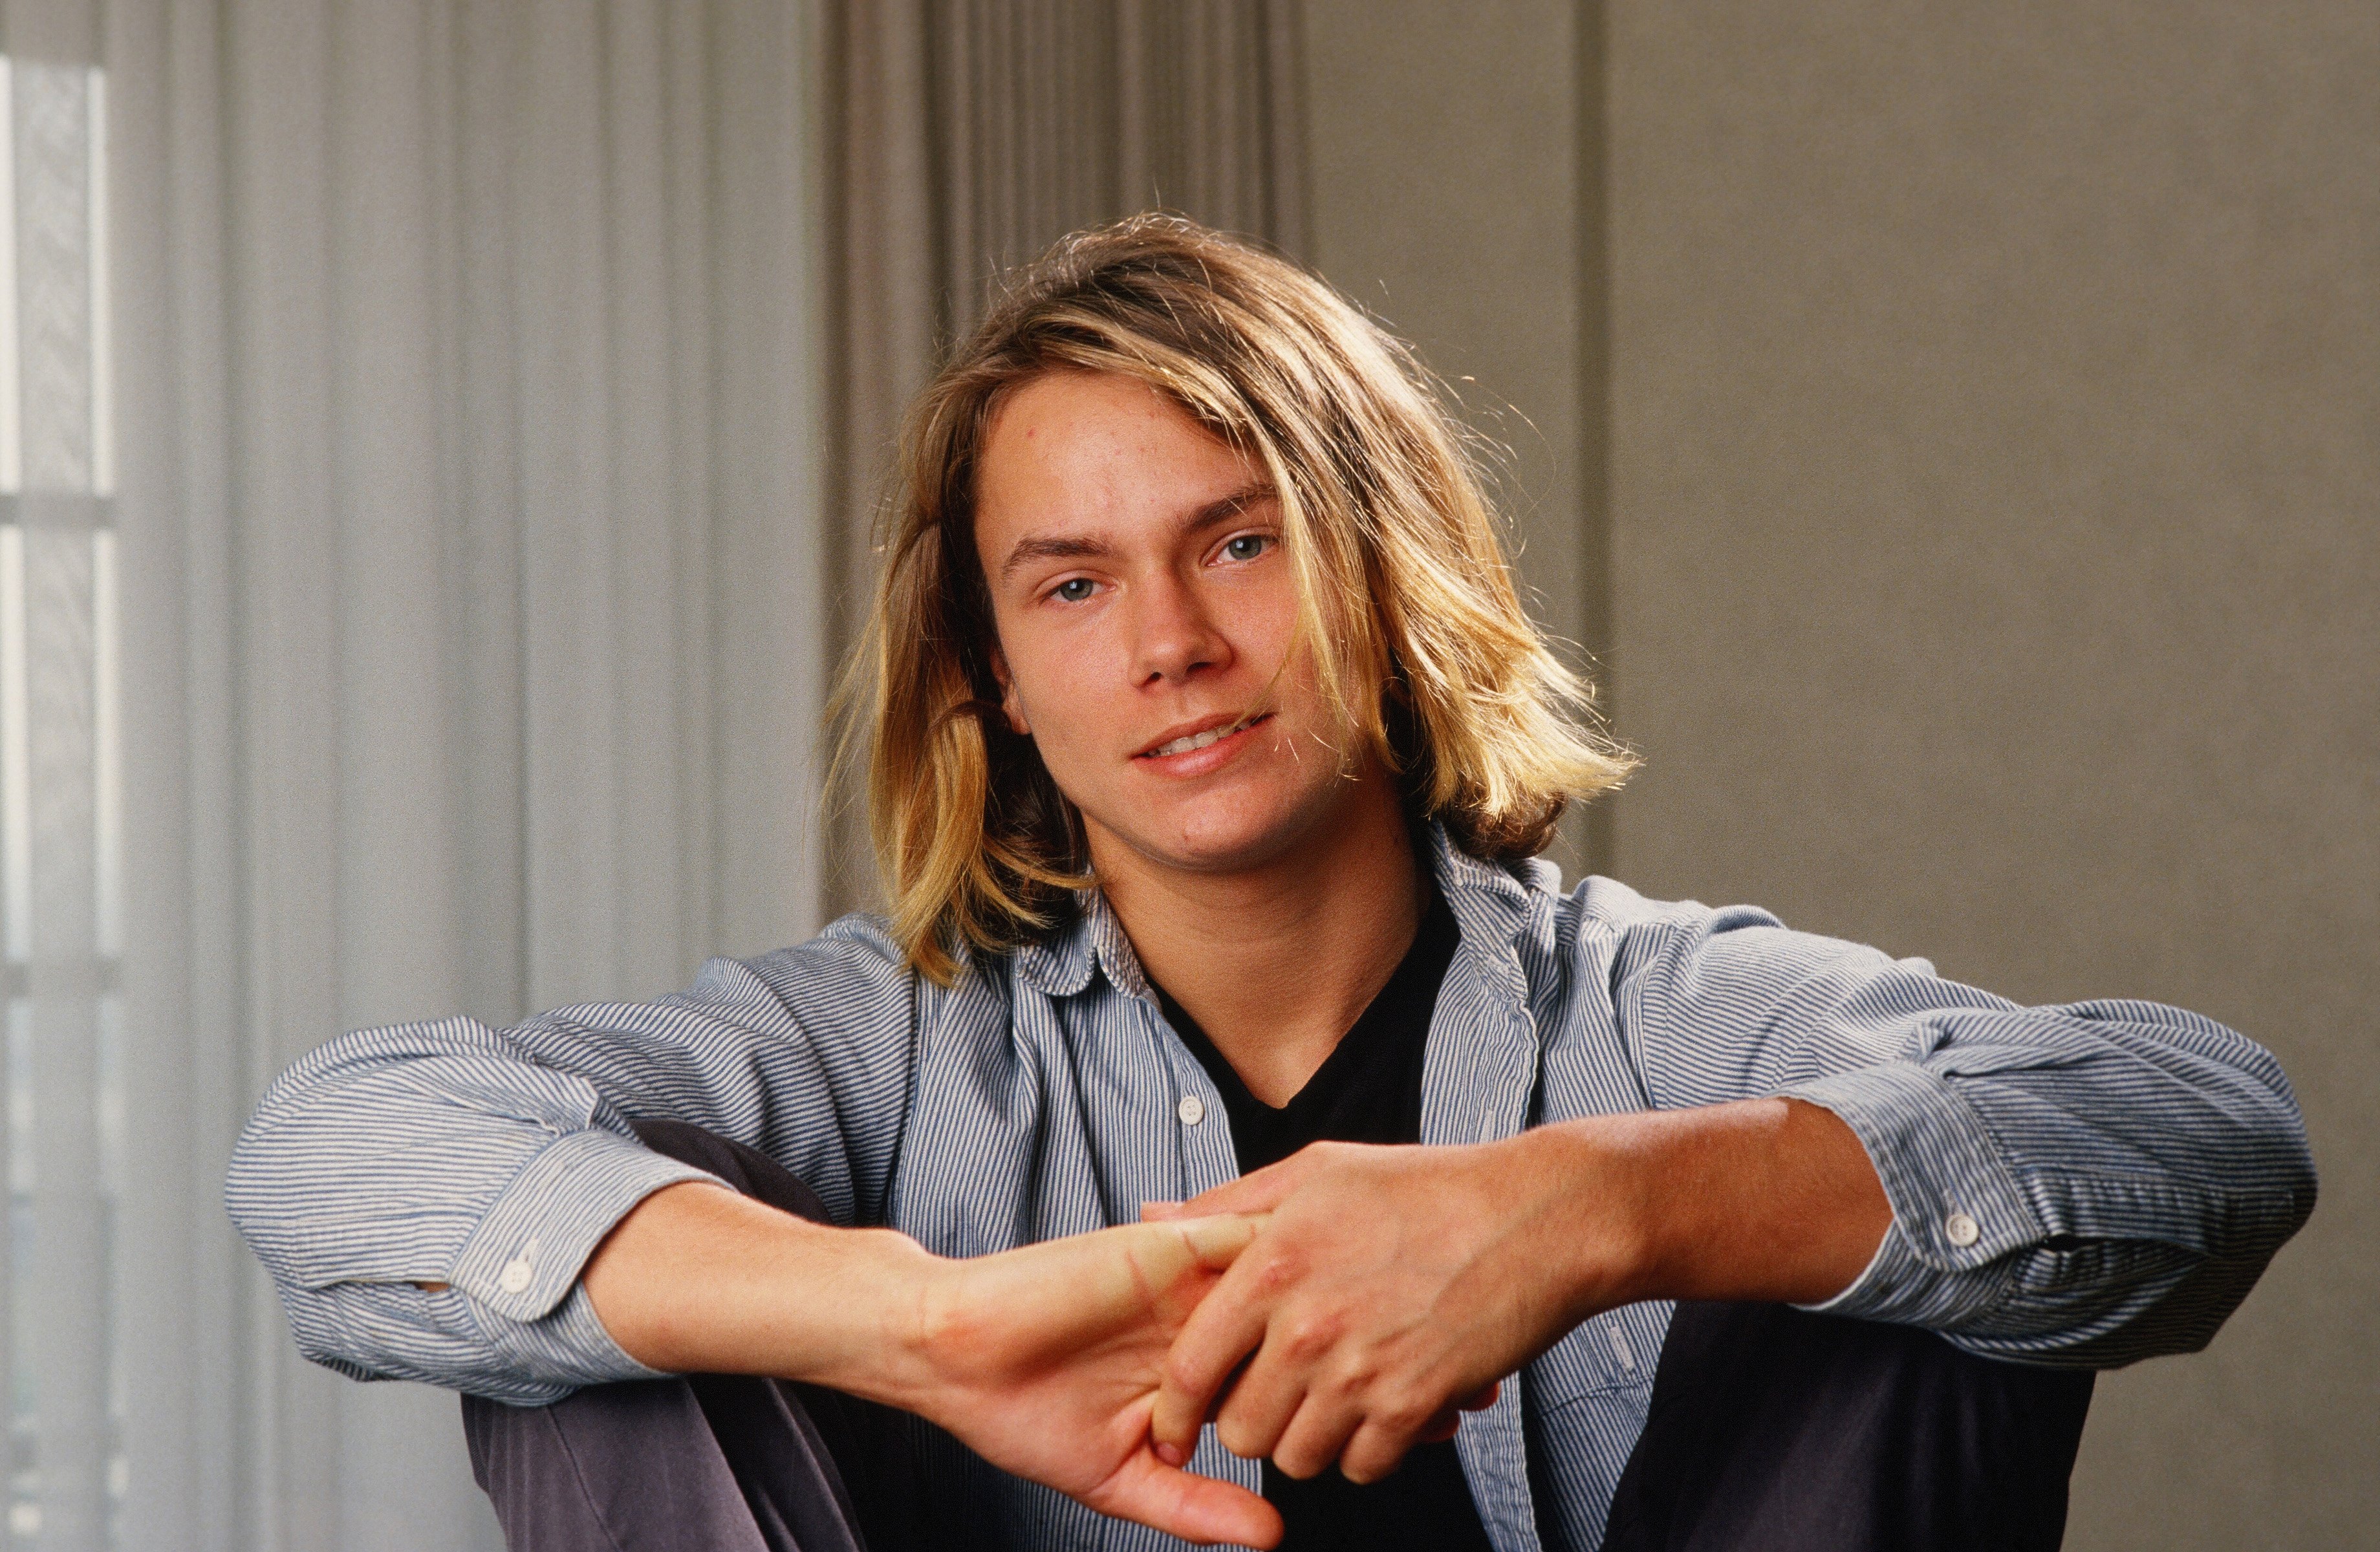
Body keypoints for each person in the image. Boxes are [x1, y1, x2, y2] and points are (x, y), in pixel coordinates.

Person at [227, 215, 2316, 1552]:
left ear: (1382, 582)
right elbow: (334, 1153)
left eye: (1238, 541)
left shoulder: (1645, 1012)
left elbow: (2207, 1132)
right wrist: (932, 1330)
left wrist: (1590, 1211)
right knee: (608, 1331)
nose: (1170, 644)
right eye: (1073, 581)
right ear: (998, 685)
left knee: (1889, 1231)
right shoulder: (884, 1050)